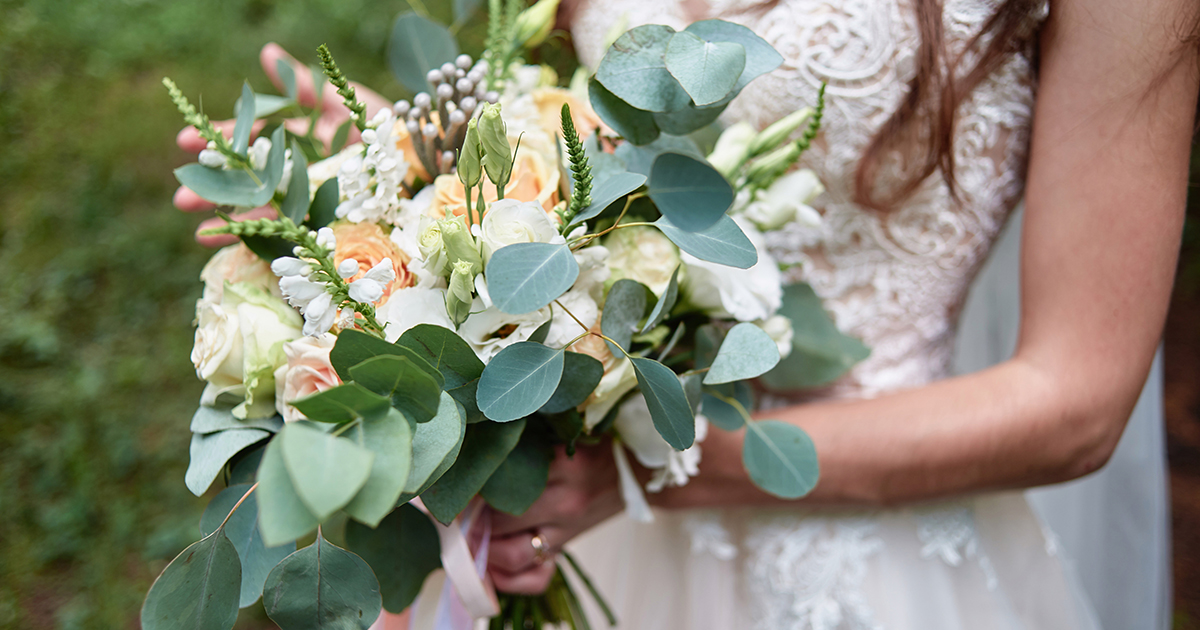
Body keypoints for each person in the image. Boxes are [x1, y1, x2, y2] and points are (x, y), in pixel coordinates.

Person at [172, 0, 1197, 626]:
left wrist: (644, 464)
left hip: (871, 544)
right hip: (586, 519)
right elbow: (597, 158)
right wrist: (414, 177)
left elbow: (1076, 402)